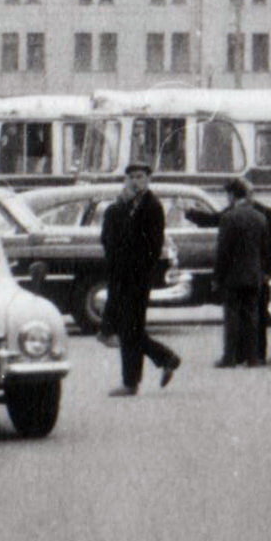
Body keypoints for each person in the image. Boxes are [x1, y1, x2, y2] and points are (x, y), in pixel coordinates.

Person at [97, 163, 180, 395]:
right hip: (118, 274)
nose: (135, 181)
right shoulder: (121, 205)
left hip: (137, 277)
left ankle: (131, 381)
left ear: (148, 179)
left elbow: (151, 245)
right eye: (131, 177)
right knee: (129, 329)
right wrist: (119, 208)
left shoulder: (152, 206)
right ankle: (165, 358)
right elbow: (107, 237)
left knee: (129, 330)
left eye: (140, 176)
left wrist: (140, 270)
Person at [199, 177, 271, 368]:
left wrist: (217, 277)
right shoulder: (260, 217)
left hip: (233, 276)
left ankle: (230, 357)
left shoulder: (229, 218)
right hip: (254, 275)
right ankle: (253, 357)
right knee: (252, 316)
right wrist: (264, 271)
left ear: (233, 195)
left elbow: (223, 251)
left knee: (232, 317)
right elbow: (267, 247)